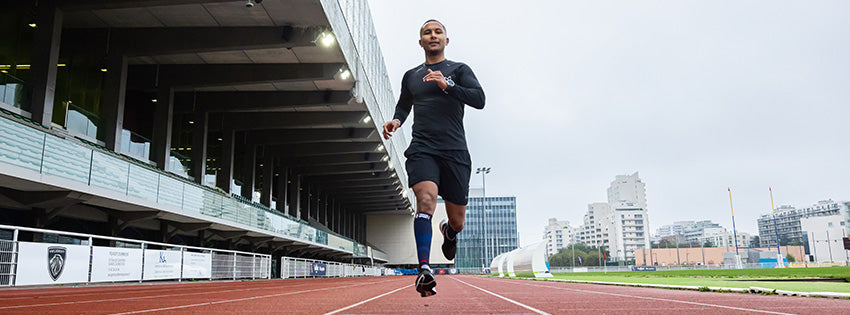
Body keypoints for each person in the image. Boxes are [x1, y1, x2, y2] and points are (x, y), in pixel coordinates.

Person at [382, 19, 485, 297]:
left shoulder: (459, 70)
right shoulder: (412, 75)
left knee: (458, 221)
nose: (433, 35)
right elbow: (404, 104)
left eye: (438, 31)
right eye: (427, 32)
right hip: (423, 148)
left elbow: (479, 99)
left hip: (455, 152)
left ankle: (449, 233)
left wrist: (447, 85)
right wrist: (396, 121)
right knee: (425, 200)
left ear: (446, 40)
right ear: (421, 42)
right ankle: (424, 270)